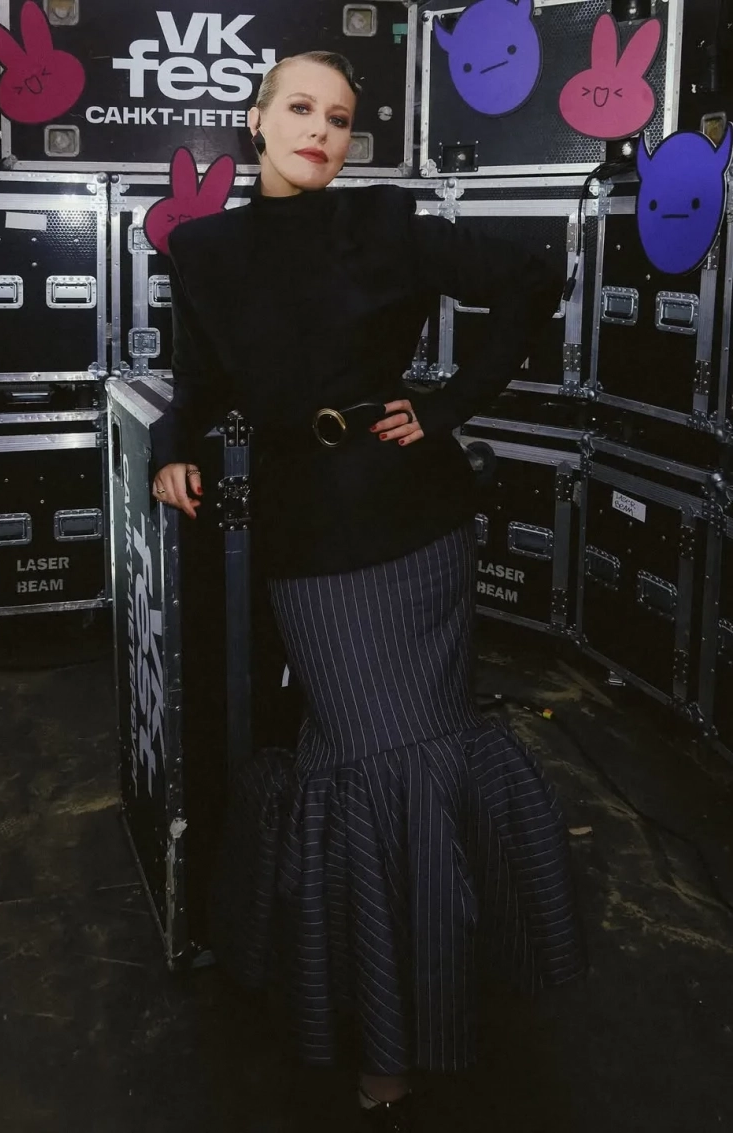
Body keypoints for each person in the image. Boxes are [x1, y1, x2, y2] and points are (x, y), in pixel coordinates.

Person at [150, 50, 585, 1133]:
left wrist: (447, 405)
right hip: (307, 533)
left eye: (340, 118)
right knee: (362, 754)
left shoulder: (387, 222)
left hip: (411, 519)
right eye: (300, 108)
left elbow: (536, 276)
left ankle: (402, 1030)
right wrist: (170, 444)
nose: (321, 130)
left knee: (403, 754)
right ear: (257, 121)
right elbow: (199, 380)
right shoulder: (201, 248)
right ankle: (382, 984)